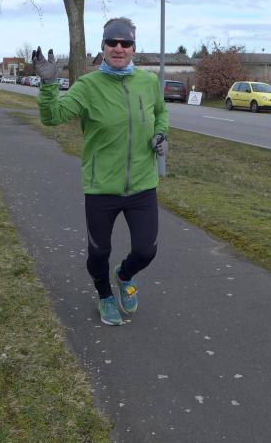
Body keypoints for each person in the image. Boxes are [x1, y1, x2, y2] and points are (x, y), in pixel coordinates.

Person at [34, 17, 169, 326]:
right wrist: (49, 85)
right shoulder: (88, 86)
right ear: (103, 46)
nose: (119, 48)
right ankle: (105, 295)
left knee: (146, 250)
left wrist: (161, 134)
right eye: (112, 42)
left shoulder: (148, 82)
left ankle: (124, 275)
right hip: (101, 187)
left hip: (142, 185)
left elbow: (161, 113)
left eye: (126, 43)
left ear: (134, 47)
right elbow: (53, 117)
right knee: (98, 252)